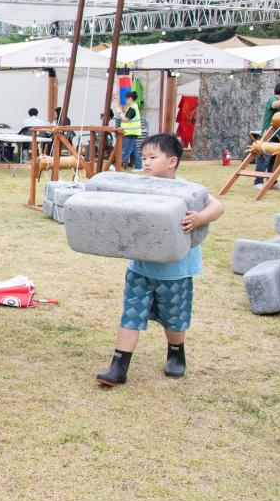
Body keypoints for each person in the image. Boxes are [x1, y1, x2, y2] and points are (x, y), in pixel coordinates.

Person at [95, 133, 224, 387]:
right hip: (140, 268)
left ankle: (176, 353)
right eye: (144, 157)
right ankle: (118, 366)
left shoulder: (187, 190)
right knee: (131, 315)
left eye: (153, 157)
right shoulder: (138, 186)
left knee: (174, 320)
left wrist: (200, 218)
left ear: (172, 161)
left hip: (176, 270)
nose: (146, 163)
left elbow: (217, 206)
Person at [118, 92, 142, 171]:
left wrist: (119, 112)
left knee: (125, 150)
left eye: (126, 99)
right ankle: (139, 167)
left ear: (130, 99)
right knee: (134, 151)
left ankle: (116, 165)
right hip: (132, 132)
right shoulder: (133, 107)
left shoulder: (132, 108)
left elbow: (126, 120)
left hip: (130, 133)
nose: (126, 101)